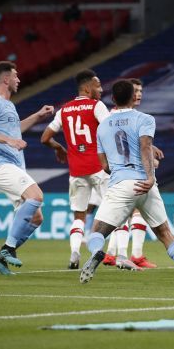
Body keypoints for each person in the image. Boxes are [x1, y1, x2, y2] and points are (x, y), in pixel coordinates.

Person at [79, 79, 174, 285]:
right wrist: (150, 176)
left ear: (113, 99)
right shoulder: (145, 119)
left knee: (97, 231)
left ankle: (97, 253)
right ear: (132, 96)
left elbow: (104, 165)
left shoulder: (102, 126)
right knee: (164, 233)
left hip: (121, 183)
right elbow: (145, 147)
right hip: (146, 183)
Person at [0, 60, 54, 275]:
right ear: (6, 79)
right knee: (36, 196)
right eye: (16, 76)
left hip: (15, 166)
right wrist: (7, 141)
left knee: (37, 217)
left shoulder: (9, 105)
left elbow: (15, 131)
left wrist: (38, 115)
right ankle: (8, 248)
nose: (19, 79)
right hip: (1, 166)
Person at [40, 69, 113, 270]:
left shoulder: (64, 110)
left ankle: (74, 252)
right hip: (99, 168)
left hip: (76, 170)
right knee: (115, 210)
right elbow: (111, 130)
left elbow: (45, 138)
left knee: (79, 216)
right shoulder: (96, 106)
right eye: (98, 86)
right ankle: (116, 254)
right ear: (88, 88)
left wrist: (59, 148)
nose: (100, 89)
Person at [103, 78, 163, 269]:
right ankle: (133, 255)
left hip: (117, 171)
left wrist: (151, 146)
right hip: (122, 171)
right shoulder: (120, 116)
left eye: (140, 91)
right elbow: (127, 145)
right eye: (135, 90)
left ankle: (112, 254)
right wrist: (151, 160)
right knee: (133, 211)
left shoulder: (118, 117)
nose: (138, 94)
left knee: (124, 214)